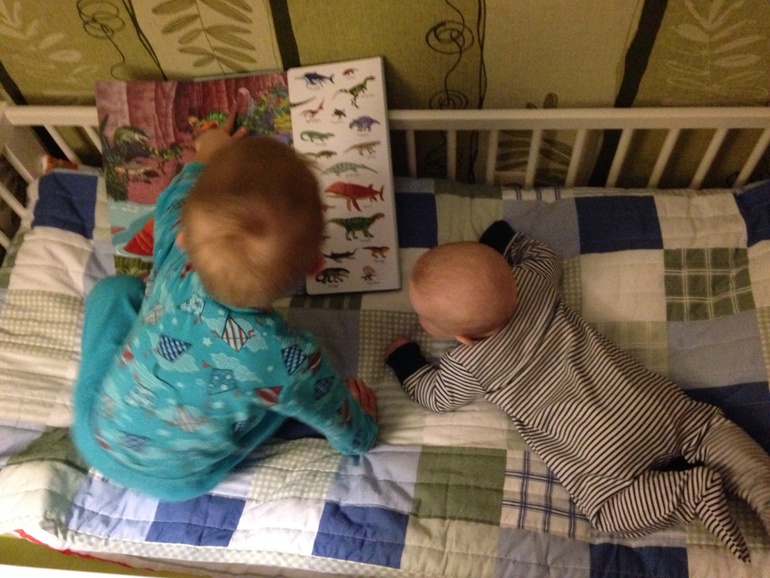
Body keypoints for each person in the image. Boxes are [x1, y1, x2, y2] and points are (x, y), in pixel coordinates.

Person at [385, 220, 770, 562]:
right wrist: (501, 241)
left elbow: (434, 395)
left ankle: (691, 493)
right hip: (651, 407)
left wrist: (405, 360)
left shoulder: (469, 363)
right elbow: (544, 256)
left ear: (464, 338)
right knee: (708, 429)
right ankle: (763, 488)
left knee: (610, 512)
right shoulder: (531, 283)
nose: (421, 319)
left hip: (603, 454)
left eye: (425, 317)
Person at [72, 108, 378, 502]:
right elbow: (337, 418)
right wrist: (363, 430)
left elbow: (177, 196)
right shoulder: (291, 360)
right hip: (178, 480)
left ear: (182, 236)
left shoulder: (177, 255)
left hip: (97, 437)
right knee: (283, 398)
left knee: (113, 292)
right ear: (315, 266)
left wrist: (206, 153)